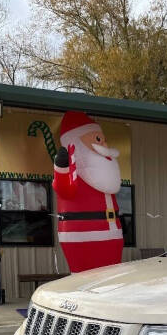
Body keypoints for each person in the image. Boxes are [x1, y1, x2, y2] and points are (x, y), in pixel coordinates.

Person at [52, 111, 124, 273]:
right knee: (84, 279)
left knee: (111, 278)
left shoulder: (103, 173)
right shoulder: (76, 172)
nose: (104, 145)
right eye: (98, 139)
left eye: (104, 140)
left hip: (112, 234)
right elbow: (64, 189)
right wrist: (61, 168)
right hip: (82, 236)